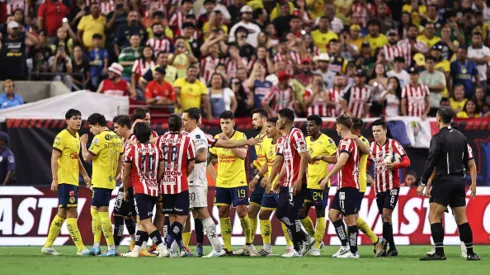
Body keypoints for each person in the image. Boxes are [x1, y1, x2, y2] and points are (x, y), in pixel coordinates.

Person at [417, 107, 480, 261]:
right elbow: (469, 163)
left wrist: (423, 182)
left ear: (438, 118)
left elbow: (431, 161)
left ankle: (439, 252)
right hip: (459, 181)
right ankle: (470, 253)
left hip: (444, 181)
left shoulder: (437, 137)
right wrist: (472, 183)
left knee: (434, 216)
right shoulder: (461, 137)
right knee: (462, 219)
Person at [41, 109, 90, 256]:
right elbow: (54, 158)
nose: (78, 121)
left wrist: (85, 175)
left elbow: (76, 158)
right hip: (65, 180)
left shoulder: (76, 137)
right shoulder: (62, 136)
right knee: (72, 213)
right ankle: (81, 248)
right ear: (67, 120)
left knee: (62, 213)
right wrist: (55, 179)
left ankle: (48, 246)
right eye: (75, 118)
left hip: (73, 180)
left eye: (80, 118)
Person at [266, 108, 314, 258]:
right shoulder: (283, 139)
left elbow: (305, 156)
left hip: (297, 182)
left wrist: (299, 179)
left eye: (278, 119)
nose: (277, 122)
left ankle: (298, 247)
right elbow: (280, 161)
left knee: (292, 215)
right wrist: (274, 179)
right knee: (281, 213)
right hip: (286, 182)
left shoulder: (296, 134)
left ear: (284, 120)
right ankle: (306, 239)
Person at [208, 111, 255, 256]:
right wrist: (215, 178)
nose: (224, 126)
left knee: (242, 211)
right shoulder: (216, 139)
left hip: (238, 180)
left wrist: (227, 144)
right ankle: (227, 248)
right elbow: (208, 159)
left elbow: (243, 154)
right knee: (222, 212)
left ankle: (249, 244)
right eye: (222, 123)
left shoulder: (240, 136)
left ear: (233, 123)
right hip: (222, 182)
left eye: (227, 123)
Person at [249, 117, 293, 256]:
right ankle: (267, 248)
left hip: (282, 184)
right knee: (263, 214)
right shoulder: (267, 143)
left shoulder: (284, 143)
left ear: (276, 128)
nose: (266, 129)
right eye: (266, 126)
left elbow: (286, 164)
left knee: (284, 215)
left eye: (269, 127)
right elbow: (268, 164)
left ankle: (291, 246)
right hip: (270, 185)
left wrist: (277, 179)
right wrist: (257, 178)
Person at [121, 122, 167, 258]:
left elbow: (126, 173)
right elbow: (162, 169)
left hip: (140, 189)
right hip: (153, 188)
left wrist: (125, 190)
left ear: (136, 135)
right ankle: (136, 250)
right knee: (143, 221)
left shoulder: (132, 150)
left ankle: (162, 247)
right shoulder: (157, 149)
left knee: (146, 221)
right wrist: (156, 182)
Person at [81, 113, 123, 257]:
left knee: (102, 213)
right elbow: (120, 160)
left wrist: (83, 144)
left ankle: (111, 248)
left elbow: (87, 158)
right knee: (94, 211)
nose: (91, 131)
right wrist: (115, 176)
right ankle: (96, 246)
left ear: (98, 124)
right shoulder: (117, 138)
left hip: (100, 181)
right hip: (109, 180)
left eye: (91, 127)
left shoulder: (99, 139)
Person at [319, 115, 360, 259]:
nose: (335, 128)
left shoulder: (347, 141)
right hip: (343, 186)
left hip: (348, 186)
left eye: (336, 126)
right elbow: (338, 158)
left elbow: (342, 162)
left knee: (350, 219)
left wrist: (327, 178)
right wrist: (322, 157)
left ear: (341, 127)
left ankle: (353, 252)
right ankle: (345, 246)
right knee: (333, 214)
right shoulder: (347, 142)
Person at [370, 119, 411, 256]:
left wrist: (395, 166)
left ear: (385, 131)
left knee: (387, 214)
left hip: (392, 186)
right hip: (378, 188)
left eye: (378, 131)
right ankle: (393, 248)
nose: (376, 134)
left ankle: (383, 246)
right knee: (385, 218)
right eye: (374, 131)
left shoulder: (394, 144)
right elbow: (365, 162)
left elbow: (407, 161)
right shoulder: (371, 147)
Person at [299, 115, 337, 256]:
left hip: (320, 184)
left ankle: (315, 246)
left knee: (320, 214)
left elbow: (338, 158)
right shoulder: (306, 141)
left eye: (312, 125)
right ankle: (316, 239)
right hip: (307, 183)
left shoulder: (327, 141)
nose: (308, 128)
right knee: (301, 213)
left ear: (319, 126)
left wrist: (322, 157)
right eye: (307, 125)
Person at [350, 118, 386, 257]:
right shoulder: (347, 140)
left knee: (350, 216)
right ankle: (376, 240)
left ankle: (372, 241)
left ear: (357, 130)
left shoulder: (363, 142)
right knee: (348, 215)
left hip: (358, 183)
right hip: (348, 182)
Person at [111, 115, 137, 253]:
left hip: (130, 185)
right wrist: (118, 176)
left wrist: (125, 185)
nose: (115, 130)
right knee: (128, 217)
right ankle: (134, 243)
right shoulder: (125, 141)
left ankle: (114, 248)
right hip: (127, 183)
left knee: (118, 215)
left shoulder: (134, 141)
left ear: (125, 127)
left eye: (117, 127)